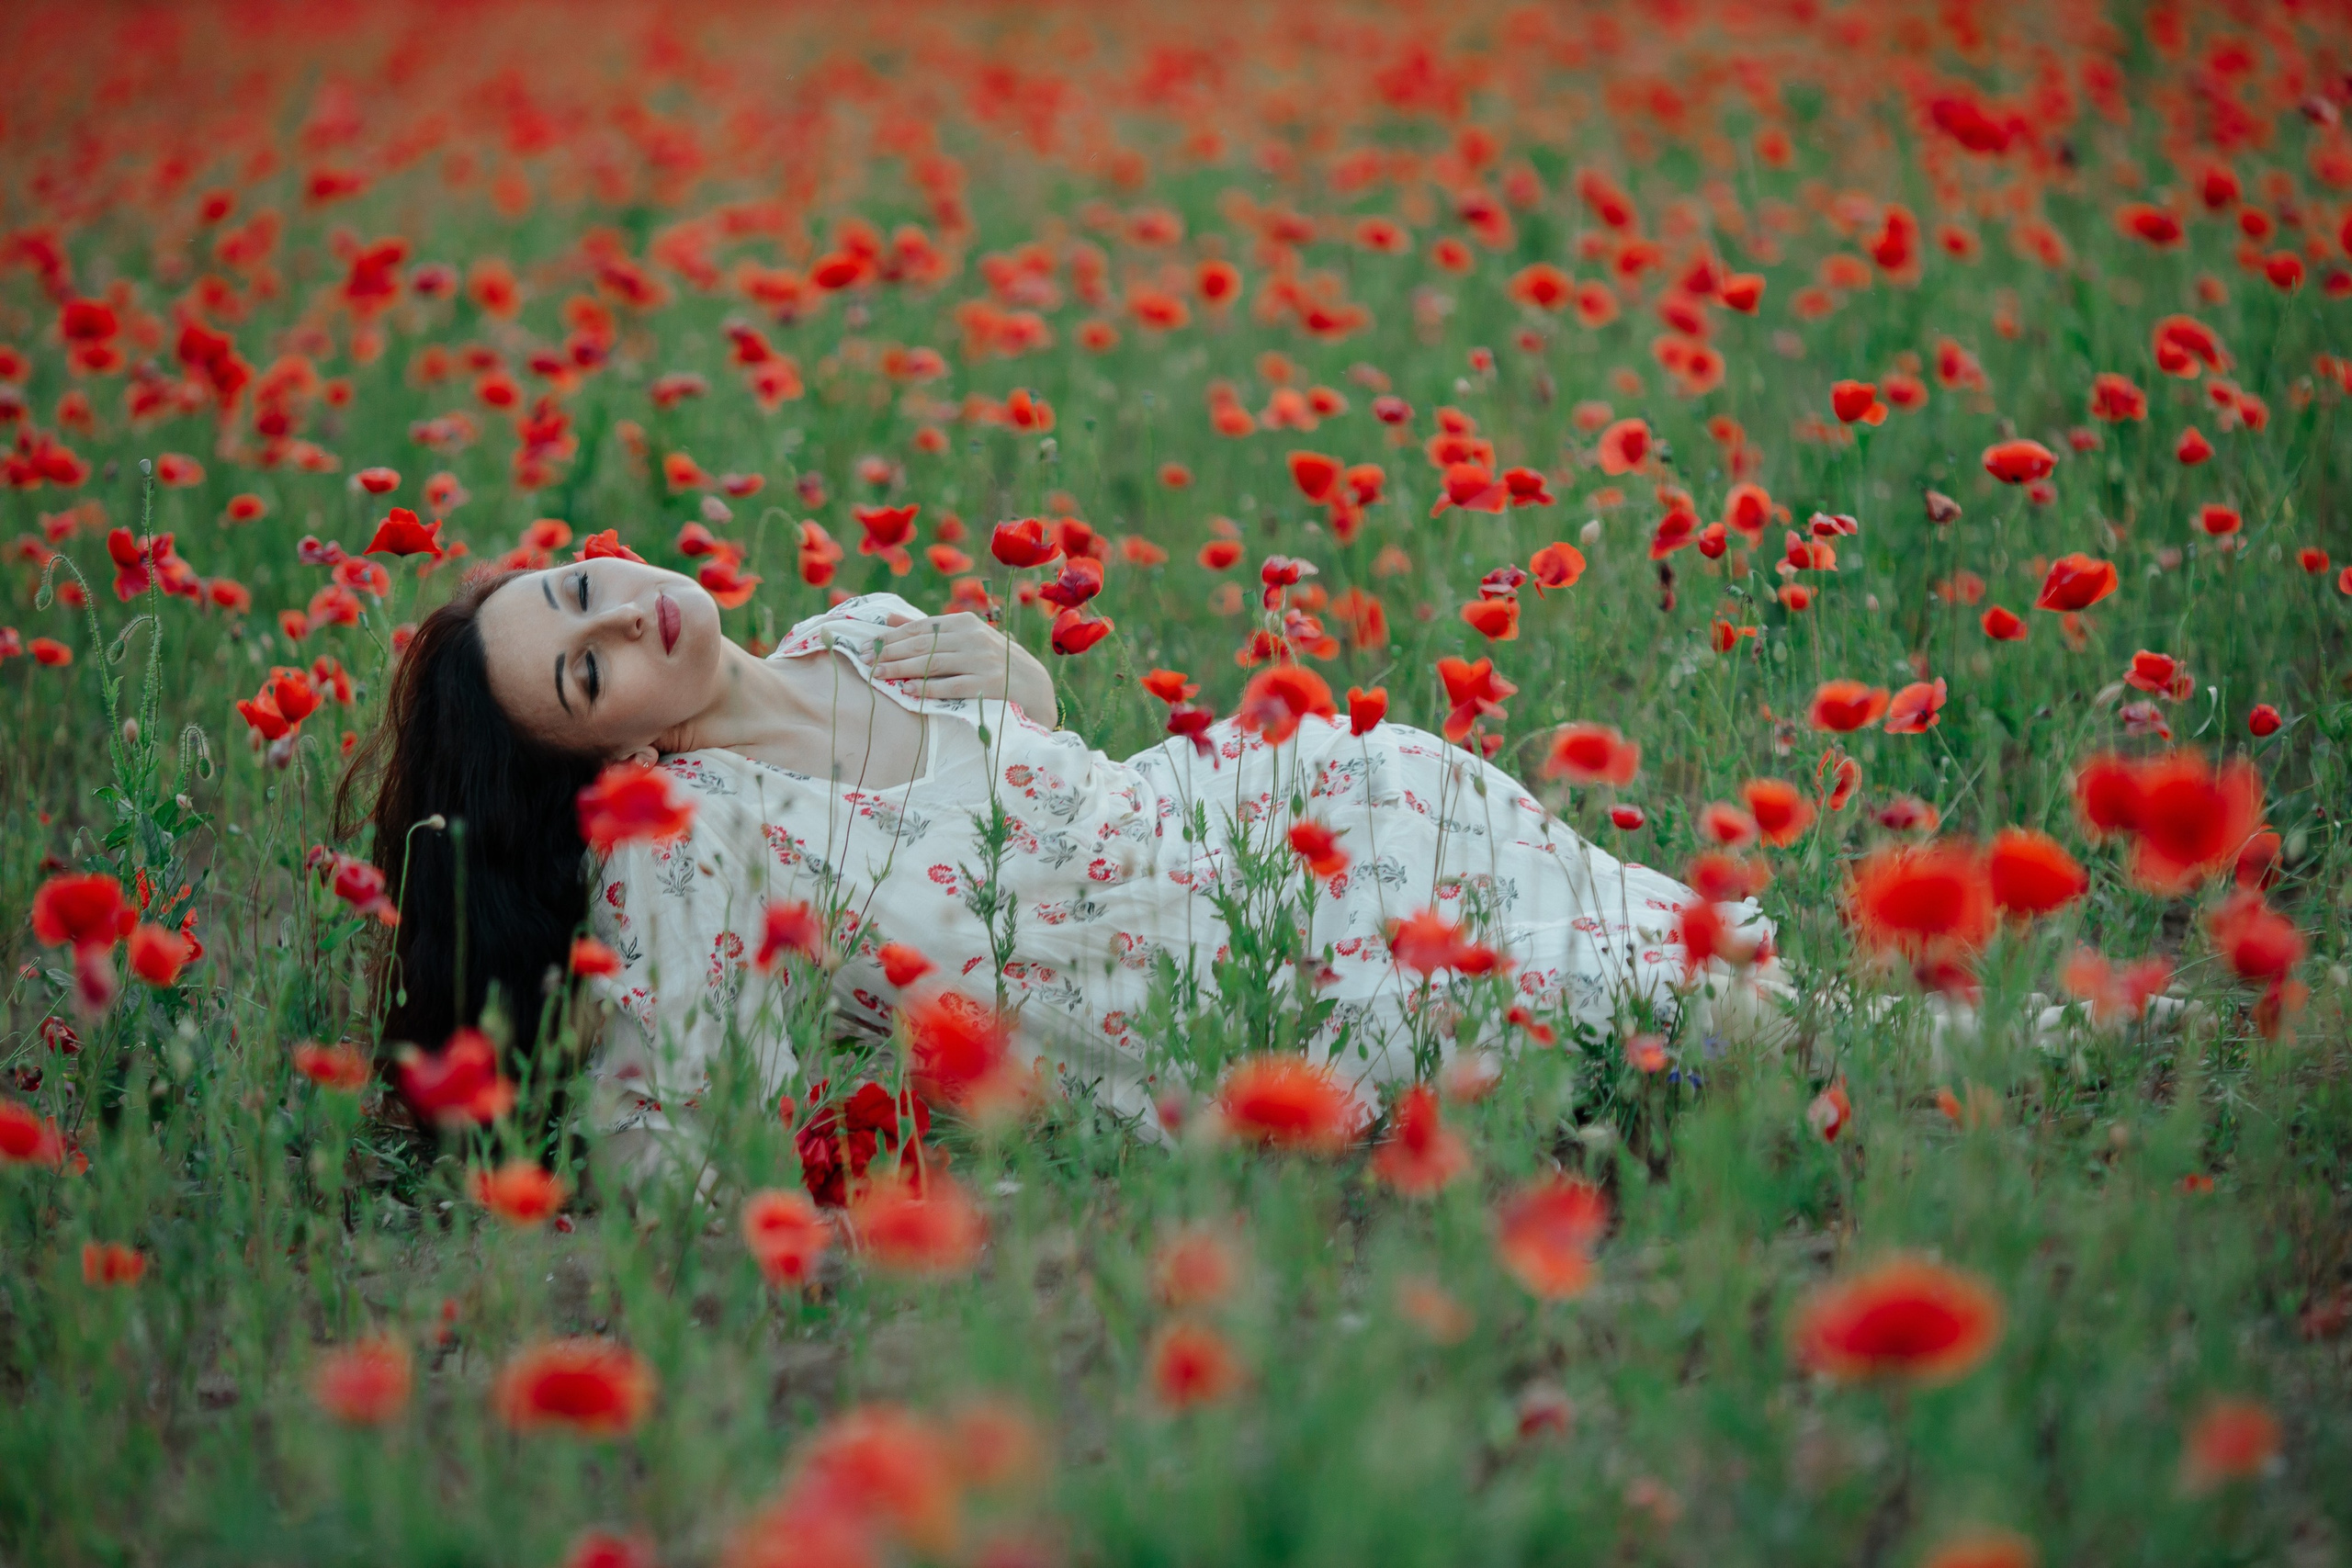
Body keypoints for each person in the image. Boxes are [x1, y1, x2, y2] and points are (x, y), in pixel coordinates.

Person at [342, 553, 1787, 1166]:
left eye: (584, 593)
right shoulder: (695, 839)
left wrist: (1018, 675)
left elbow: (1038, 775)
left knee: (1694, 984)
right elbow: (661, 1124)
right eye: (586, 674)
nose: (623, 621)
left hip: (1298, 811)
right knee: (1658, 1024)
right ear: (614, 769)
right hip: (1228, 1005)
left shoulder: (854, 633)